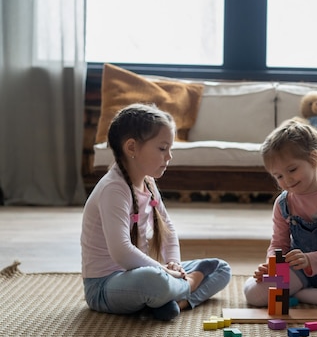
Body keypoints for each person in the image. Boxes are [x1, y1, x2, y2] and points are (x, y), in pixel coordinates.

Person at [81, 103, 231, 321]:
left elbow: (168, 229)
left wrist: (174, 264)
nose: (169, 156)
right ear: (131, 148)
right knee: (154, 280)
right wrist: (167, 272)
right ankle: (186, 287)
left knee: (220, 268)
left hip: (138, 275)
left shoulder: (147, 183)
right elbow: (121, 252)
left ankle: (177, 302)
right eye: (162, 148)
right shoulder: (114, 189)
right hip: (104, 286)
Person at [243, 119, 317, 310]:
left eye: (292, 170)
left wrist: (309, 260)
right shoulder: (283, 203)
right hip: (296, 271)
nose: (287, 180)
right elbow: (278, 244)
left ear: (314, 159)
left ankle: (302, 294)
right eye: (279, 176)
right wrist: (272, 266)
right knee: (253, 292)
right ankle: (307, 291)